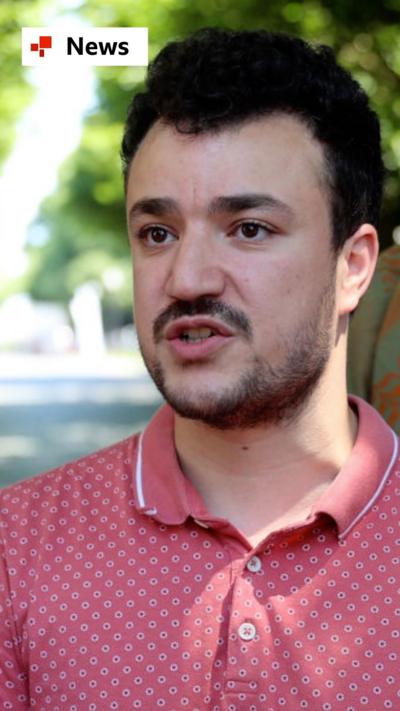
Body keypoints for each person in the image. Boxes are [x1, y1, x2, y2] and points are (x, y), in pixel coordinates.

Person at [1, 27, 399, 711]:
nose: (185, 278)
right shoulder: (15, 547)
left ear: (353, 265)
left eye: (248, 228)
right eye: (158, 233)